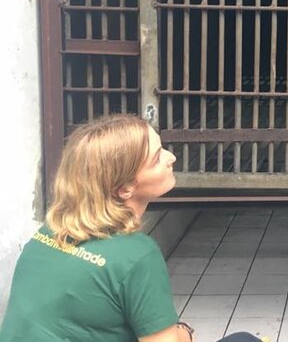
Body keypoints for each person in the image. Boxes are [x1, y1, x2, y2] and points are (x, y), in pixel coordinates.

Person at [0, 115, 260, 342]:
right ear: (124, 188)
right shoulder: (136, 255)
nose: (171, 157)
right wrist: (184, 332)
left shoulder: (48, 232)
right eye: (157, 158)